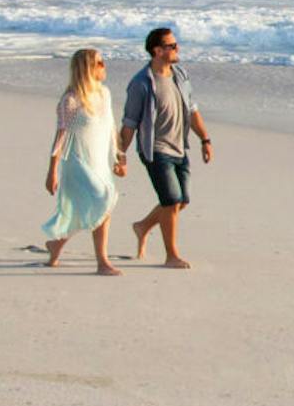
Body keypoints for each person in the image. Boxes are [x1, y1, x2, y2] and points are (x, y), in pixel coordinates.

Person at [116, 25, 212, 268]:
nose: (177, 49)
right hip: (155, 149)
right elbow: (129, 123)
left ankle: (143, 226)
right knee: (170, 201)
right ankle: (171, 255)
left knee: (182, 201)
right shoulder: (141, 83)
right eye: (172, 46)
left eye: (176, 44)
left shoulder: (180, 74)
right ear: (157, 51)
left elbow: (193, 109)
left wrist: (205, 139)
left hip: (180, 146)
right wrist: (120, 154)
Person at [40, 46, 126, 275]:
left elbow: (110, 128)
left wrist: (119, 157)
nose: (104, 66)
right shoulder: (70, 100)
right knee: (103, 199)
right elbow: (60, 137)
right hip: (77, 161)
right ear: (87, 68)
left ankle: (55, 245)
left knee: (89, 209)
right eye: (99, 62)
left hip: (100, 162)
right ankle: (102, 262)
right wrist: (52, 171)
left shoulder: (104, 94)